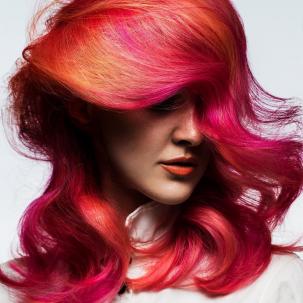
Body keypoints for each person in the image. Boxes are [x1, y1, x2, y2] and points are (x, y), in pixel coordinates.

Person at [1, 0, 303, 302]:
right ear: (84, 107)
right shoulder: (13, 291)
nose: (194, 134)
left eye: (209, 107)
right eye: (166, 101)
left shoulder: (268, 285)